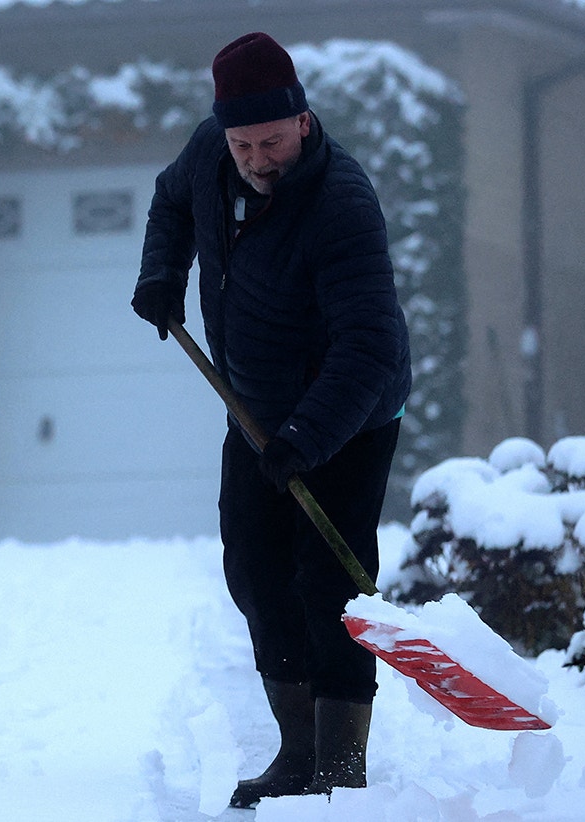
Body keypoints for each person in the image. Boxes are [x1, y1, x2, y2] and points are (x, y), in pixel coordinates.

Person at [131, 32, 411, 807]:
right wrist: (163, 273)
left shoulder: (341, 204)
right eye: (244, 143)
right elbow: (171, 201)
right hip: (254, 405)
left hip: (347, 416)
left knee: (332, 584)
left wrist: (306, 440)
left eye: (272, 141)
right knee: (255, 566)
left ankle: (340, 769)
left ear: (304, 122)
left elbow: (369, 346)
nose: (258, 158)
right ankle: (296, 752)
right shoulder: (210, 154)